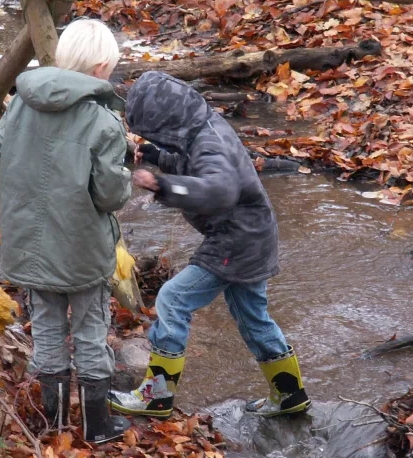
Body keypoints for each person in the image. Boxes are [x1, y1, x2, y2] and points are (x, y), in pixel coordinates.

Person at [108, 71, 310, 418]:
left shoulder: (209, 143)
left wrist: (164, 186)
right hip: (254, 236)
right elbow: (193, 162)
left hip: (235, 240)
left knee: (173, 298)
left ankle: (156, 396)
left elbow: (219, 189)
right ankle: (290, 395)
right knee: (253, 317)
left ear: (167, 120)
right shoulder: (201, 128)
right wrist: (157, 154)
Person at [0, 19, 132, 444]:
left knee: (47, 326)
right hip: (83, 249)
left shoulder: (19, 104)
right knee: (89, 330)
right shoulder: (103, 123)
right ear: (103, 67)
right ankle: (96, 425)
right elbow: (109, 196)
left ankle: (53, 422)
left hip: (29, 243)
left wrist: (31, 198)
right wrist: (126, 173)